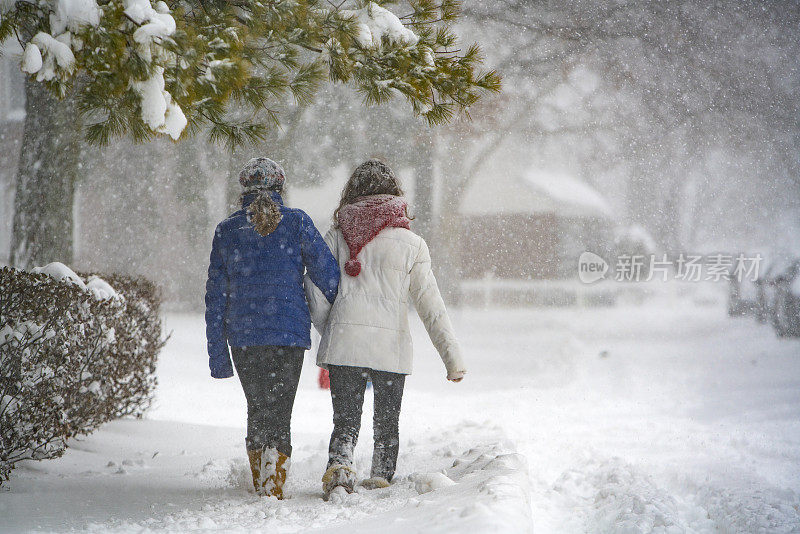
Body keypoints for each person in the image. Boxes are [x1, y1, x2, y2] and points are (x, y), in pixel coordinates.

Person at [305, 159, 466, 500]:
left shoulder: (336, 237)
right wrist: (453, 358)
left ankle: (340, 468)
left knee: (345, 419)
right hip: (390, 348)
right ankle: (380, 473)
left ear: (352, 192)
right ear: (394, 194)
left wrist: (331, 327)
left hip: (345, 344)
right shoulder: (412, 245)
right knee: (386, 421)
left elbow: (314, 290)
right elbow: (431, 306)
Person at [205, 157, 339, 499]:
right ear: (280, 188)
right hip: (287, 334)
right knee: (281, 410)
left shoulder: (227, 230)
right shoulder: (297, 223)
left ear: (244, 191)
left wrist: (218, 355)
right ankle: (273, 485)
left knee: (257, 407)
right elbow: (329, 277)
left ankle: (260, 479)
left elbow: (215, 298)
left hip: (245, 335)